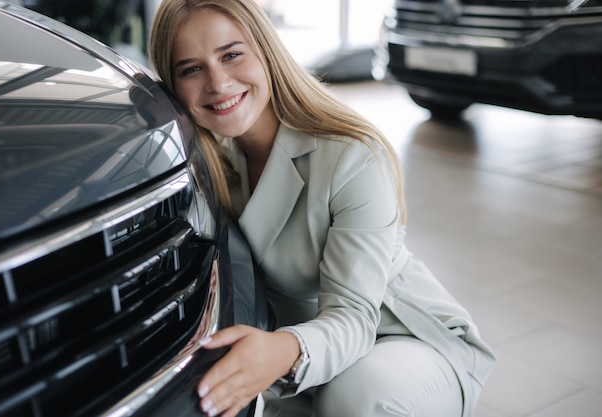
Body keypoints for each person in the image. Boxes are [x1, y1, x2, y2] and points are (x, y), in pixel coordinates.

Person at [148, 1, 495, 416]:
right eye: (191, 69)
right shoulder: (208, 165)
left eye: (231, 54)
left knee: (353, 398)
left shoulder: (352, 157)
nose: (218, 82)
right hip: (301, 354)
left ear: (266, 51)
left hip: (398, 338)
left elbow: (354, 318)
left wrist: (280, 351)